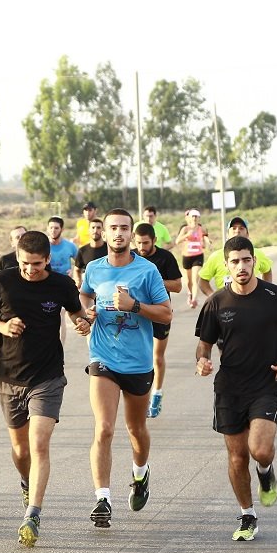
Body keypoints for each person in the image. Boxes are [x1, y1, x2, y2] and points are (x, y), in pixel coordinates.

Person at [0, 230, 91, 547]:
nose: (30, 270)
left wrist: (83, 324)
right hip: (10, 378)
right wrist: (2, 326)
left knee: (39, 444)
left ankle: (32, 515)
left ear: (48, 259)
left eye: (36, 264)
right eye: (25, 263)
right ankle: (27, 482)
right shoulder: (3, 280)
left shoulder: (62, 284)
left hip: (48, 376)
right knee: (21, 450)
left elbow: (78, 314)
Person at [195, 235, 277, 542]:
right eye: (235, 261)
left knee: (258, 449)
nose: (242, 267)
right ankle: (247, 514)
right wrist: (203, 362)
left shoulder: (276, 296)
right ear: (226, 265)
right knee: (235, 457)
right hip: (229, 388)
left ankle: (265, 469)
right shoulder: (216, 303)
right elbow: (203, 346)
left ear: (255, 261)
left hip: (267, 384)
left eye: (247, 260)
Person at [79, 208, 172, 529]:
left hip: (138, 362)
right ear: (103, 233)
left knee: (136, 430)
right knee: (104, 427)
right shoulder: (93, 268)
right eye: (113, 228)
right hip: (103, 357)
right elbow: (84, 296)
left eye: (124, 228)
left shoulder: (147, 272)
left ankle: (140, 473)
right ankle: (102, 498)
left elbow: (166, 313)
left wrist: (134, 305)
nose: (118, 234)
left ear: (132, 234)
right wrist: (83, 316)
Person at [133, 222, 182, 418]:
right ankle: (141, 396)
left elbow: (178, 286)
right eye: (138, 243)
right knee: (140, 357)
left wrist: (154, 281)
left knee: (156, 356)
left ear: (154, 240)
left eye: (145, 243)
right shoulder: (132, 257)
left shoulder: (165, 258)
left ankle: (157, 393)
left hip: (160, 313)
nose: (142, 247)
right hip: (137, 314)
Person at [199, 217, 274, 296]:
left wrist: (265, 291)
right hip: (227, 304)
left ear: (247, 234)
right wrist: (214, 298)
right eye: (234, 228)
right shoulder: (216, 256)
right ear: (227, 234)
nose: (237, 231)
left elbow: (267, 270)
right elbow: (203, 281)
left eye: (241, 228)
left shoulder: (258, 254)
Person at [176, 208, 208, 308]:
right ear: (189, 218)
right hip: (187, 256)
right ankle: (190, 293)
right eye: (192, 216)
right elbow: (177, 241)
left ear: (199, 218)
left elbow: (205, 238)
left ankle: (194, 299)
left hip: (198, 255)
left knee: (195, 279)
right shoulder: (185, 229)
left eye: (196, 216)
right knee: (189, 281)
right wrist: (186, 235)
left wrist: (206, 243)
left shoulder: (202, 229)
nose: (194, 218)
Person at [73, 216, 107, 287]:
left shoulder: (110, 249)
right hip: (88, 290)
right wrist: (78, 281)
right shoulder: (82, 250)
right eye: (93, 227)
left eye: (98, 228)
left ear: (103, 231)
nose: (95, 230)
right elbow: (76, 270)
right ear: (89, 230)